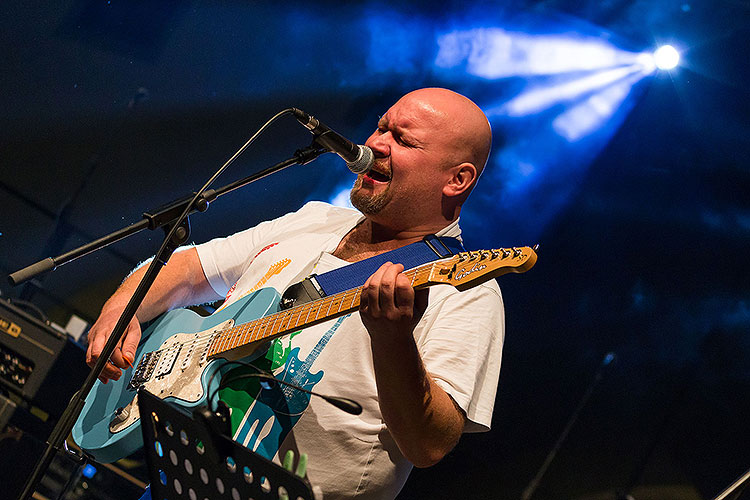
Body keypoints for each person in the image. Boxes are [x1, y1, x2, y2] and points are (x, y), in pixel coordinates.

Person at [86, 87, 503, 499]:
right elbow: (189, 269)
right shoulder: (314, 218)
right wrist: (121, 311)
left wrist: (392, 340)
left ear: (457, 179)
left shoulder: (466, 290)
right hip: (179, 479)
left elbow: (429, 445)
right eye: (381, 128)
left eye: (403, 140)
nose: (375, 144)